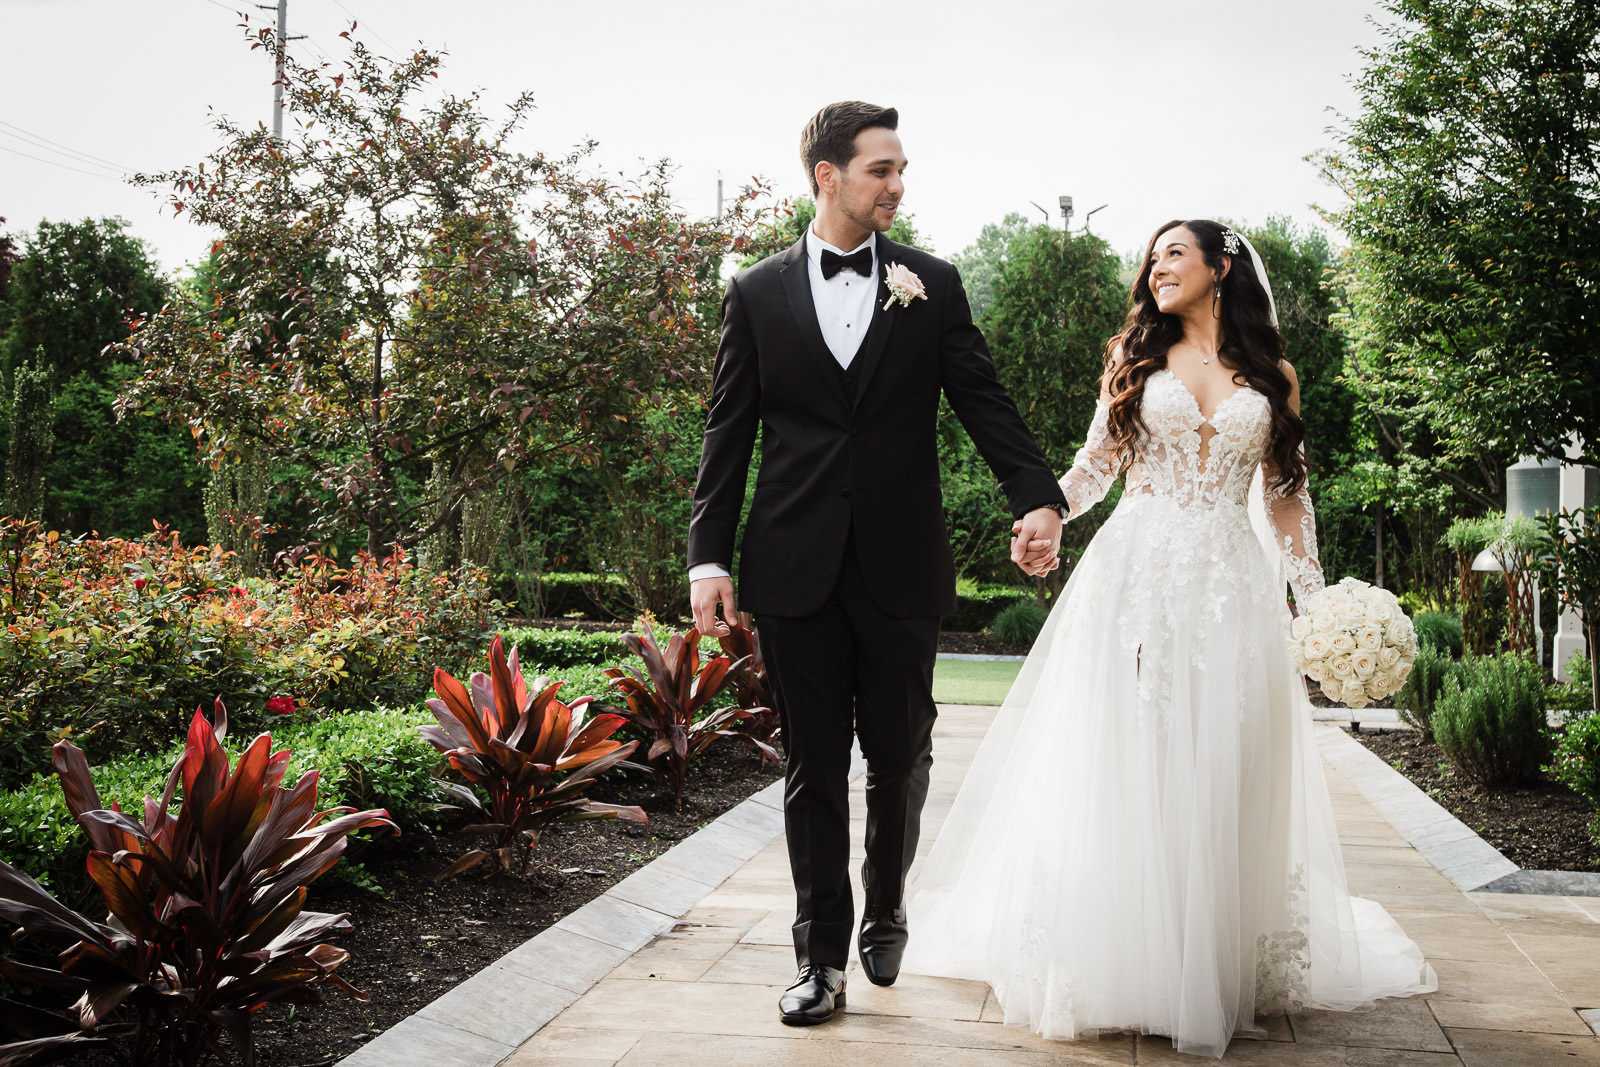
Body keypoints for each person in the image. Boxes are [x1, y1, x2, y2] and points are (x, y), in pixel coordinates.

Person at [902, 219, 1437, 1058]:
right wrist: (1048, 516)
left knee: (1223, 759)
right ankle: (1124, 959)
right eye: (1152, 258)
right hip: (1137, 575)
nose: (1158, 268)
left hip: (1232, 583)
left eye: (1174, 254)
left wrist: (1316, 601)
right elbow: (1094, 466)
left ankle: (1208, 960)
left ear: (1220, 268)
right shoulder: (1135, 359)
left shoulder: (1275, 375)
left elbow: (1288, 497)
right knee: (1132, 750)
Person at [686, 101, 1067, 1027]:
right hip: (794, 564)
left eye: (901, 169)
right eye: (881, 169)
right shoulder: (756, 292)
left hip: (901, 564)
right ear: (828, 175)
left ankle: (888, 900)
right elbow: (727, 433)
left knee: (898, 756)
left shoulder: (930, 285)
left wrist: (1038, 495)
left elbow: (984, 399)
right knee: (813, 768)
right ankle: (820, 957)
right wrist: (707, 557)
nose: (898, 185)